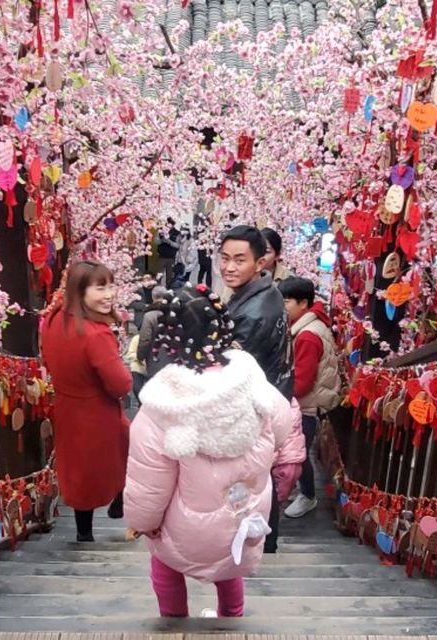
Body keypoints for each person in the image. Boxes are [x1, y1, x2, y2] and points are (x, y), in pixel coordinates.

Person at [124, 285, 292, 618]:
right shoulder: (253, 382)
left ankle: (173, 621)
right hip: (240, 514)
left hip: (182, 525)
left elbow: (150, 482)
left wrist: (143, 522)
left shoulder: (162, 405)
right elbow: (282, 426)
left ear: (167, 340)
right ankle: (231, 619)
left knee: (165, 565)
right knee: (230, 566)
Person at [41, 261, 132, 541]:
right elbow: (120, 384)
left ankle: (84, 534)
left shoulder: (54, 318)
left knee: (79, 472)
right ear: (80, 291)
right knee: (119, 456)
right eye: (100, 287)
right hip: (97, 413)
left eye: (111, 285)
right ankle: (119, 499)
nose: (109, 294)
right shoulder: (96, 335)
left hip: (68, 408)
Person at [219, 225, 293, 553]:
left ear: (259, 263)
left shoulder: (252, 313)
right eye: (224, 259)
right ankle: (266, 539)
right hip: (270, 395)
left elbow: (231, 369)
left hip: (252, 403)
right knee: (257, 472)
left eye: (239, 260)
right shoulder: (266, 293)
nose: (229, 267)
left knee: (250, 474)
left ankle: (258, 540)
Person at [278, 276, 341, 518]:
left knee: (299, 452)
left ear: (303, 303)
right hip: (309, 402)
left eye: (287, 302)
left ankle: (308, 495)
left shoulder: (306, 335)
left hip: (306, 405)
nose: (283, 307)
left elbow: (302, 383)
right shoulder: (311, 326)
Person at [136, 285, 169, 379]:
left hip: (155, 357)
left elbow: (145, 340)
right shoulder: (174, 312)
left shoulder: (149, 316)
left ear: (153, 297)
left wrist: (140, 356)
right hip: (173, 356)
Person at [157, 217, 180, 286]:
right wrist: (161, 240)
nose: (168, 226)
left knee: (169, 276)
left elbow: (178, 246)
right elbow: (156, 242)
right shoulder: (161, 231)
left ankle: (169, 290)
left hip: (171, 257)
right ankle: (157, 290)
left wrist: (169, 241)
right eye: (167, 224)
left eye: (171, 224)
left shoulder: (177, 233)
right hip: (161, 256)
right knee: (159, 275)